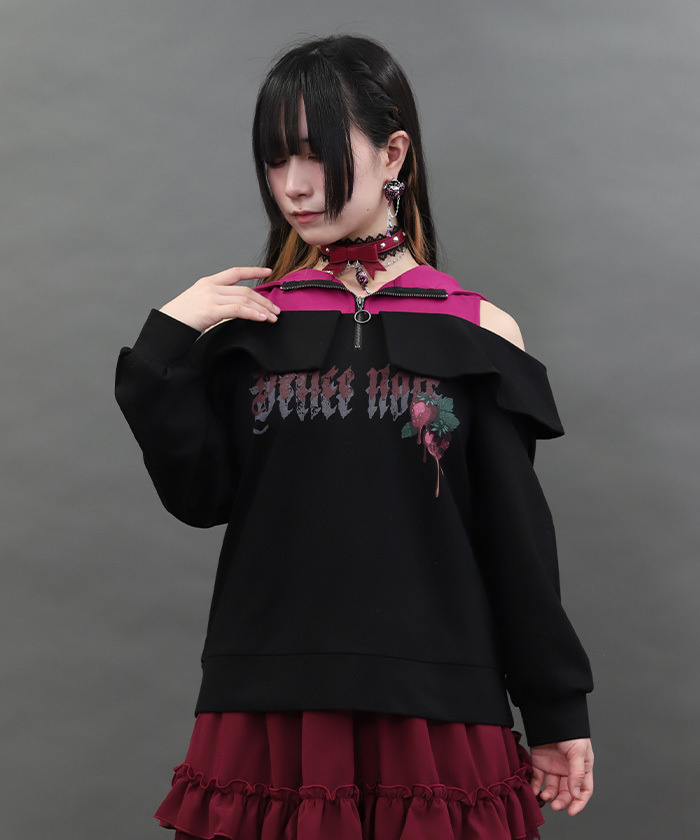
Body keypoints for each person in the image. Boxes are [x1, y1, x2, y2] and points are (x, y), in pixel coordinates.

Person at [115, 33, 594, 840]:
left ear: (392, 152)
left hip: (435, 706)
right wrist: (165, 341)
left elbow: (514, 539)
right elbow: (203, 499)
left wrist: (556, 709)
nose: (293, 186)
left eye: (316, 153)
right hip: (270, 703)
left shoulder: (475, 330)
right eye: (275, 160)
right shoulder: (251, 328)